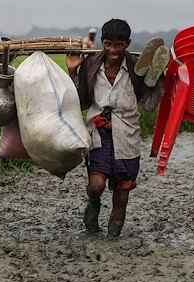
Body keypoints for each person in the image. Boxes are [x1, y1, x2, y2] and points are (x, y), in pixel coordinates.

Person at [66, 19, 165, 237]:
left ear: (128, 43)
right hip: (99, 135)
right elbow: (81, 103)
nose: (113, 50)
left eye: (119, 45)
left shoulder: (137, 69)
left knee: (122, 195)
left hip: (127, 137)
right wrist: (73, 72)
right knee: (96, 185)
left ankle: (113, 238)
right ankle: (93, 204)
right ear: (102, 42)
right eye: (109, 44)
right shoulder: (91, 65)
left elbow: (148, 106)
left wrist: (159, 79)